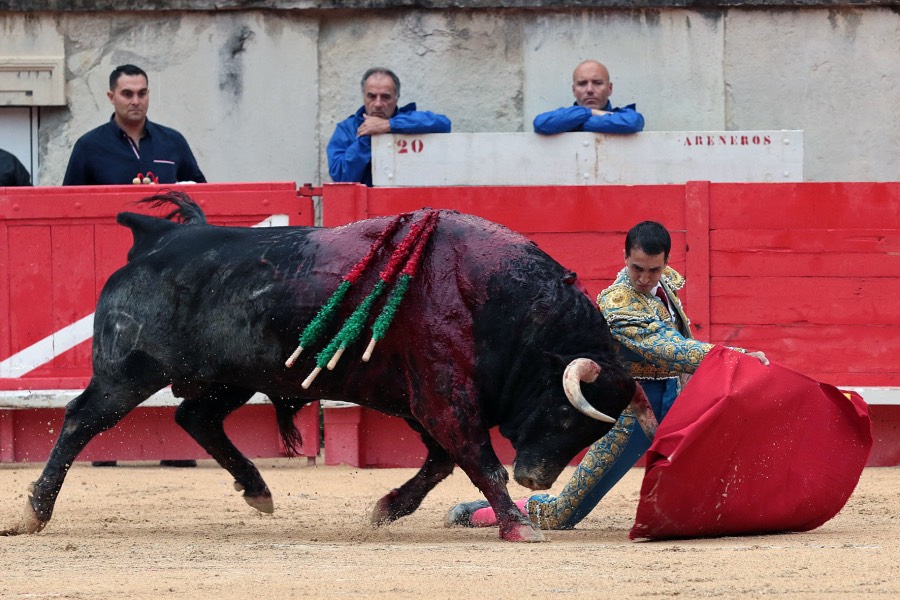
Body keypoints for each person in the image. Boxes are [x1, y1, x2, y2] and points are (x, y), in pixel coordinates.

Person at [446, 221, 768, 530]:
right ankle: (483, 512)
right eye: (637, 268)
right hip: (632, 411)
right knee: (563, 514)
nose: (644, 278)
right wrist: (733, 357)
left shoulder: (665, 284)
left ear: (666, 262)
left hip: (674, 400)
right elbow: (668, 348)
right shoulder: (618, 304)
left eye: (653, 270)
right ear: (625, 256)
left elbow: (681, 336)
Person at [63, 64, 206, 186]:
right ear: (111, 97)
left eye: (142, 94)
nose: (136, 101)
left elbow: (202, 194)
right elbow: (69, 201)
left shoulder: (173, 141)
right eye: (127, 94)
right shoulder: (88, 146)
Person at [327, 67, 451, 186]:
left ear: (396, 98)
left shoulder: (408, 120)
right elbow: (341, 177)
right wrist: (367, 136)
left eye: (385, 97)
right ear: (364, 97)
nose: (378, 104)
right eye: (372, 96)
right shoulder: (346, 129)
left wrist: (390, 125)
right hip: (364, 200)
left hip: (406, 199)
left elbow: (444, 124)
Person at [533, 60, 644, 135]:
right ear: (574, 90)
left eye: (597, 83)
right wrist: (591, 112)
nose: (590, 90)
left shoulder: (624, 116)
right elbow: (540, 123)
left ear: (609, 88)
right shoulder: (561, 115)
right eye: (582, 84)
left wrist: (573, 123)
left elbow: (632, 122)